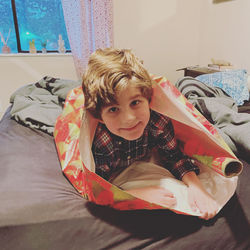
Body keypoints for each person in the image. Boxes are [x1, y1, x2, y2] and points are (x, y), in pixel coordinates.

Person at [82, 48, 219, 220]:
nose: (129, 119)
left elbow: (173, 156)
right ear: (100, 117)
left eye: (135, 102)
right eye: (113, 109)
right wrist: (133, 194)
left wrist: (197, 189)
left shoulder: (157, 122)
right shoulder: (102, 138)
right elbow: (96, 185)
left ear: (148, 101)